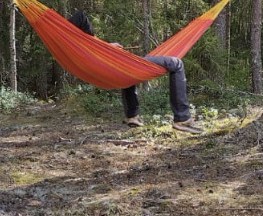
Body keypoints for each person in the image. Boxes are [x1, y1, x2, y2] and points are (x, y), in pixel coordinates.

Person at [67, 11, 203, 133]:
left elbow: (92, 44)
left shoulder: (83, 49)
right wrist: (104, 46)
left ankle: (132, 116)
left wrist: (106, 46)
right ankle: (182, 118)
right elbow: (81, 20)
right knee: (176, 64)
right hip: (115, 67)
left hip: (117, 68)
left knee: (129, 72)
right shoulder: (85, 46)